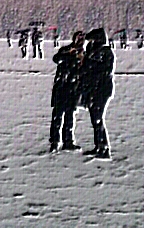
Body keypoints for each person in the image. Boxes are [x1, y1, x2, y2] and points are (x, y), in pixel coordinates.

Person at [79, 27, 116, 160]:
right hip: (94, 89)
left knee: (98, 118)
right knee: (95, 119)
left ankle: (104, 148)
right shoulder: (93, 51)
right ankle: (99, 145)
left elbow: (105, 70)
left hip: (101, 89)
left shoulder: (106, 52)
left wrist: (90, 64)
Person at [49, 30, 85, 153]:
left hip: (72, 89)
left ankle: (67, 141)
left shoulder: (83, 54)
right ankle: (55, 142)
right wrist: (70, 55)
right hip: (62, 87)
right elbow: (56, 59)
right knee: (57, 116)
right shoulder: (67, 50)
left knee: (69, 117)